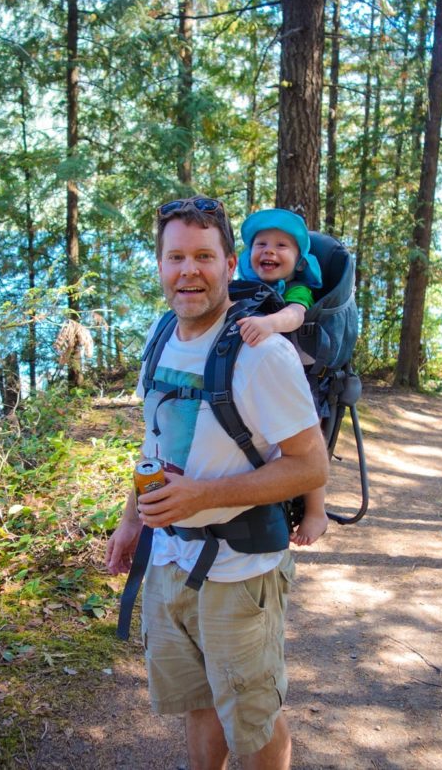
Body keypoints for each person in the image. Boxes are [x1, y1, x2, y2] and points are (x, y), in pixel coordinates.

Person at [105, 195, 328, 770]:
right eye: (175, 257)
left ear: (231, 265)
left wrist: (203, 496)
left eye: (204, 256)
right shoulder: (160, 338)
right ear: (159, 266)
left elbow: (310, 466)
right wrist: (132, 521)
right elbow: (154, 443)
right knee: (199, 703)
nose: (188, 271)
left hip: (240, 571)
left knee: (252, 721)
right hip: (168, 561)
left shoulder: (263, 355)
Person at [235, 208, 329, 546]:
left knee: (308, 438)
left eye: (281, 246)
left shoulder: (297, 289)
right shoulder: (241, 288)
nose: (269, 251)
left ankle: (316, 511)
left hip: (297, 378)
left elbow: (294, 316)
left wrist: (269, 323)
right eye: (260, 244)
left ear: (299, 259)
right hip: (253, 378)